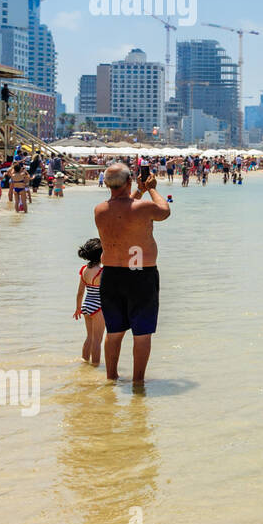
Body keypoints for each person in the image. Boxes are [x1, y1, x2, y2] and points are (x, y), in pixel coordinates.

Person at [94, 162, 170, 384]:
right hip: (140, 274)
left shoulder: (100, 210)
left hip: (111, 275)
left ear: (107, 184)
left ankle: (111, 378)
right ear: (129, 181)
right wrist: (153, 188)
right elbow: (164, 212)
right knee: (142, 334)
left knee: (114, 331)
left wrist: (139, 191)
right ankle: (138, 383)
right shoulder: (144, 207)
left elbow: (124, 208)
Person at [73, 238, 104, 365]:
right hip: (98, 307)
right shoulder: (102, 271)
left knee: (89, 337)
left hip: (87, 305)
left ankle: (85, 361)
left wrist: (78, 308)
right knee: (98, 340)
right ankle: (95, 365)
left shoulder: (84, 270)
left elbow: (80, 292)